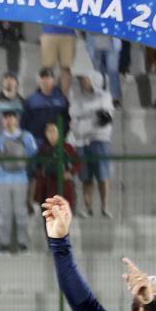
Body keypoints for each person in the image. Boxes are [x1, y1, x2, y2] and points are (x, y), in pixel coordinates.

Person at [0, 110, 37, 252]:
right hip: (2, 179)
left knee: (20, 211)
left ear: (16, 120)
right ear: (3, 121)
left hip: (21, 179)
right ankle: (4, 243)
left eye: (11, 118)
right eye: (6, 118)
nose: (9, 121)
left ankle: (23, 243)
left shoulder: (27, 136)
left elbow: (32, 155)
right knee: (4, 212)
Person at [69, 73, 114, 217]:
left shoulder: (105, 96)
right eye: (83, 80)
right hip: (81, 141)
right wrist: (93, 112)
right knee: (86, 177)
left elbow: (105, 117)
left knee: (102, 175)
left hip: (100, 140)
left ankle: (105, 207)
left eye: (86, 79)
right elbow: (73, 113)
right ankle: (88, 208)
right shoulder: (78, 99)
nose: (84, 82)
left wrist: (84, 115)